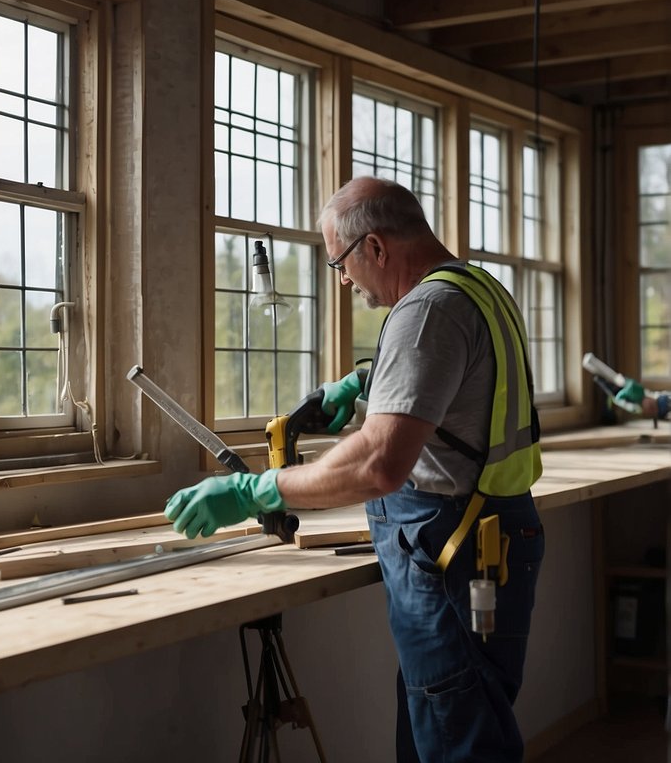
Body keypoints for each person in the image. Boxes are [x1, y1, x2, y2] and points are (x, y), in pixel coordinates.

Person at [165, 177, 545, 763]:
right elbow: (459, 380)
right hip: (493, 537)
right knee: (450, 723)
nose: (342, 279)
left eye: (340, 261)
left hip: (453, 551)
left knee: (455, 739)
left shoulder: (425, 311)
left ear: (375, 247)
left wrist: (256, 489)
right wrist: (367, 381)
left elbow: (378, 463)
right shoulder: (475, 287)